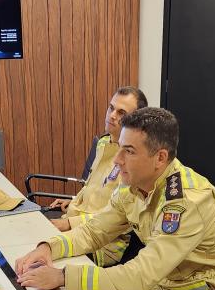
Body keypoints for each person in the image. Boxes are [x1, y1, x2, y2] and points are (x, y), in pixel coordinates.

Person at [15, 107, 215, 290]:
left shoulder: (187, 202)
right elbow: (93, 232)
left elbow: (140, 276)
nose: (117, 159)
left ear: (160, 158)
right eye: (120, 147)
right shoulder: (133, 186)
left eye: (129, 151)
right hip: (163, 288)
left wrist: (62, 276)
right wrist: (48, 248)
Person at [48, 86, 147, 266]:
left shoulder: (135, 160)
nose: (112, 116)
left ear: (136, 121)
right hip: (74, 223)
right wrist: (76, 200)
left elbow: (119, 216)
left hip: (103, 243)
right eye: (111, 108)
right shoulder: (103, 142)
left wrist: (70, 223)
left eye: (121, 113)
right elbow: (94, 186)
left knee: (39, 262)